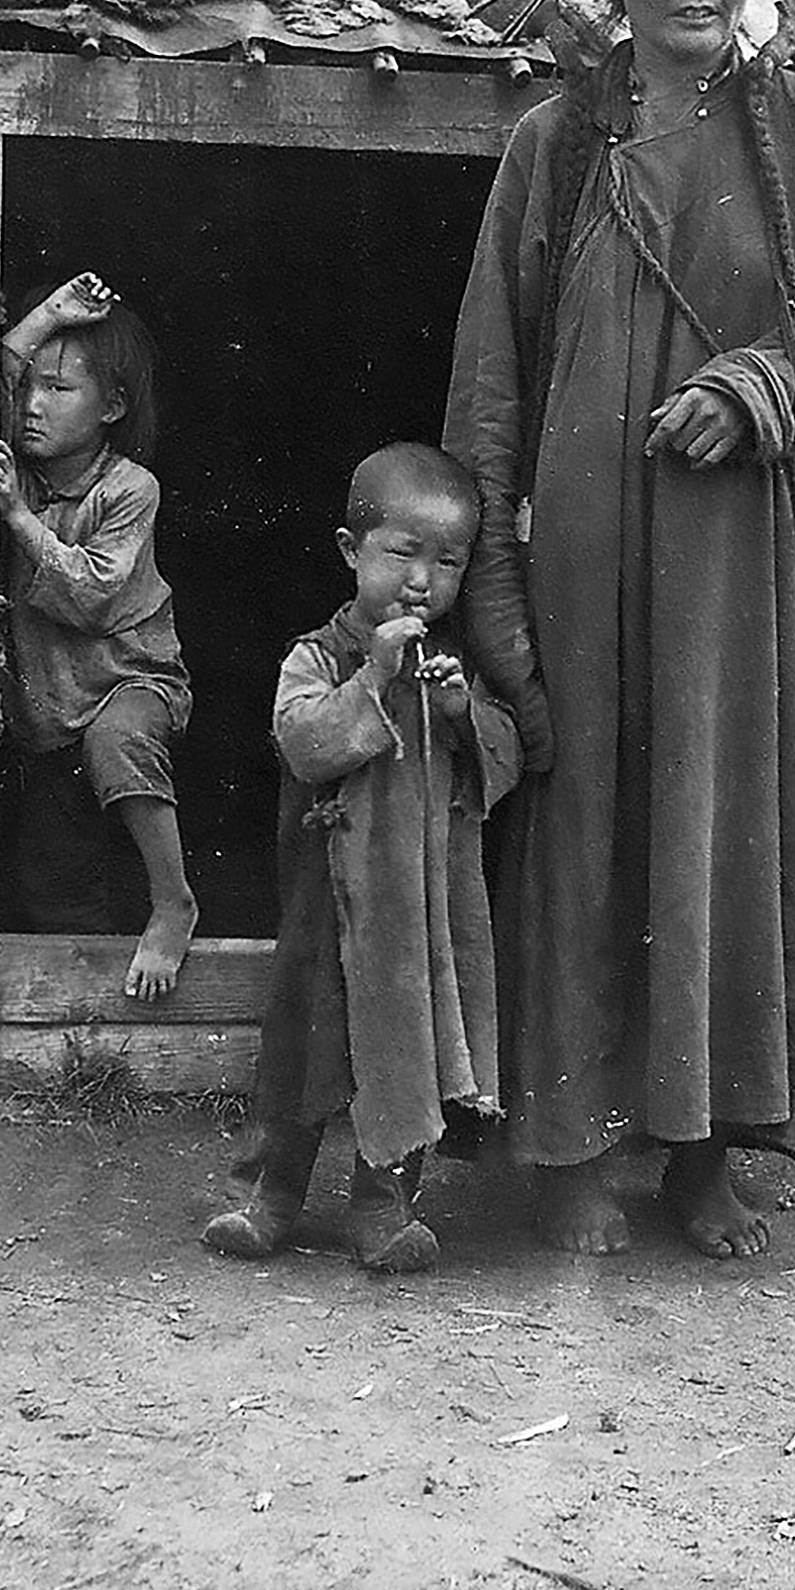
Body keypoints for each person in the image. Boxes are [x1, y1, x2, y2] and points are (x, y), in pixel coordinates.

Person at [444, 0, 795, 1260]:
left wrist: (765, 384)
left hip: (749, 564)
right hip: (588, 561)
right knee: (590, 815)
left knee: (738, 821)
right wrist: (496, 574)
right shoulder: (555, 143)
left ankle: (713, 1152)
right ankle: (581, 1143)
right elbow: (493, 369)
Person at [201, 442, 521, 1274]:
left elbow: (506, 757)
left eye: (446, 562)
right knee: (305, 1056)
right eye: (401, 554)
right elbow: (305, 743)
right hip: (332, 905)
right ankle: (272, 1201)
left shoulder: (453, 666)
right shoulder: (318, 656)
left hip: (417, 914)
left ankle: (382, 1210)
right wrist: (374, 678)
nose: (422, 581)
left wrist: (457, 712)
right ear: (352, 553)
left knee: (406, 1054)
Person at [0, 273, 198, 1000]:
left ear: (115, 406)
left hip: (130, 682)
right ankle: (94, 1036)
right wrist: (50, 316)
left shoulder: (129, 488)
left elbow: (95, 593)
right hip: (50, 710)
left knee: (119, 743)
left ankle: (174, 901)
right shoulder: (17, 468)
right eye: (31, 387)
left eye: (61, 390)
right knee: (55, 883)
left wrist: (17, 519)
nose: (33, 405)